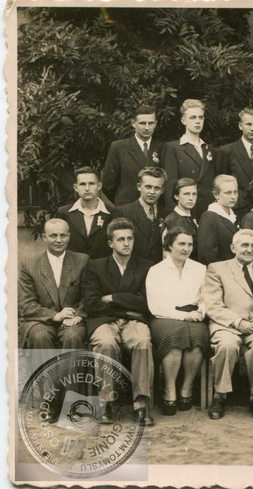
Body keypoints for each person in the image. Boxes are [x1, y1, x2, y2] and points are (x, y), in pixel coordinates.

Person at [83, 218, 155, 425]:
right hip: (104, 320)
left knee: (142, 341)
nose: (126, 243)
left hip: (134, 320)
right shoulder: (96, 266)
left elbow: (147, 303)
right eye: (121, 239)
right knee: (105, 342)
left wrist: (114, 297)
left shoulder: (145, 267)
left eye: (130, 239)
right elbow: (92, 304)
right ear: (110, 243)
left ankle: (141, 405)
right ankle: (105, 403)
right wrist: (128, 302)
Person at [203, 229, 253, 420]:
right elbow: (213, 304)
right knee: (227, 345)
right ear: (233, 247)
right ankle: (220, 395)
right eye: (244, 245)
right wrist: (238, 322)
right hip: (227, 324)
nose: (249, 249)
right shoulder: (217, 269)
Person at [146, 227, 208, 415]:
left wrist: (201, 312)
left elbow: (206, 298)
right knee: (174, 338)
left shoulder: (200, 269)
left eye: (190, 244)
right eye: (181, 244)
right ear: (170, 245)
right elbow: (155, 306)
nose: (186, 248)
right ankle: (169, 388)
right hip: (165, 317)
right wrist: (184, 316)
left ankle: (186, 388)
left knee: (198, 338)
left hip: (194, 316)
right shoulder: (156, 270)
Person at [19, 219, 89, 351]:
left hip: (72, 319)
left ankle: (72, 367)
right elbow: (26, 304)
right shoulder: (29, 265)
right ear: (44, 237)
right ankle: (44, 367)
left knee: (72, 336)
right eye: (53, 236)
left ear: (69, 237)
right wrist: (55, 316)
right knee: (40, 336)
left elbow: (88, 295)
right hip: (40, 319)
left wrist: (78, 315)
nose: (59, 240)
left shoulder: (82, 261)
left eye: (63, 235)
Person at [161, 99, 226, 218]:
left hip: (208, 210)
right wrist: (174, 216)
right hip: (184, 209)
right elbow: (170, 186)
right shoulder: (174, 148)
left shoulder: (211, 150)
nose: (197, 121)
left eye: (200, 117)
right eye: (193, 117)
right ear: (183, 120)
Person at [102, 105, 165, 206]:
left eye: (151, 123)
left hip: (154, 206)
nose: (147, 127)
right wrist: (122, 201)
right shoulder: (119, 147)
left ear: (156, 124)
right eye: (142, 123)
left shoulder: (162, 148)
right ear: (133, 123)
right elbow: (108, 184)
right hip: (127, 206)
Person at [220, 107, 253, 218]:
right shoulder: (227, 151)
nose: (252, 129)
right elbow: (221, 184)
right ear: (240, 126)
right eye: (248, 124)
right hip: (236, 208)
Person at [55, 167, 114, 259]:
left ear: (99, 186)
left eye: (91, 184)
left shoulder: (112, 213)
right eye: (82, 184)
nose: (87, 188)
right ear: (76, 187)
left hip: (102, 266)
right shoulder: (64, 213)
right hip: (72, 266)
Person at [114, 167, 167, 263]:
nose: (152, 192)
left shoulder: (167, 214)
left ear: (162, 190)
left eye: (157, 188)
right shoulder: (123, 212)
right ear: (139, 186)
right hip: (133, 268)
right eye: (148, 187)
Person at [197, 175, 239, 265]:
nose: (233, 196)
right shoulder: (209, 217)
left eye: (235, 192)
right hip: (219, 271)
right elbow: (206, 255)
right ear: (216, 195)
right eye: (228, 193)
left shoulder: (234, 217)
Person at [161, 178, 199, 259]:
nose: (191, 198)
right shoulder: (171, 220)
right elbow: (167, 254)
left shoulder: (191, 218)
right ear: (177, 196)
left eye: (194, 194)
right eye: (186, 194)